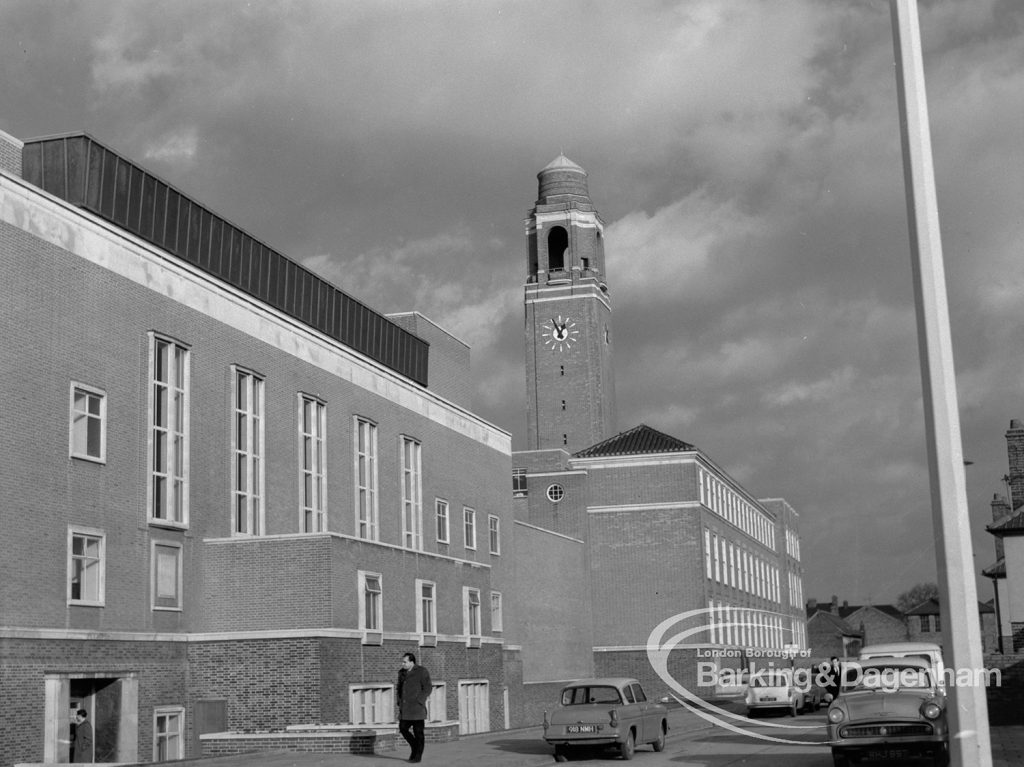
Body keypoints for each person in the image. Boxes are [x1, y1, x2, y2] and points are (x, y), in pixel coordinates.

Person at [396, 652, 432, 763]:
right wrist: (399, 701)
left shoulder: (421, 671)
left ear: (412, 662)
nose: (403, 664)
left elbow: (428, 688)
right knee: (403, 728)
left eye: (405, 662)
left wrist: (420, 700)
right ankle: (415, 747)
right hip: (405, 708)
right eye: (402, 662)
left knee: (418, 733)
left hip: (417, 709)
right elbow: (399, 688)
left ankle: (417, 756)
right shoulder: (401, 673)